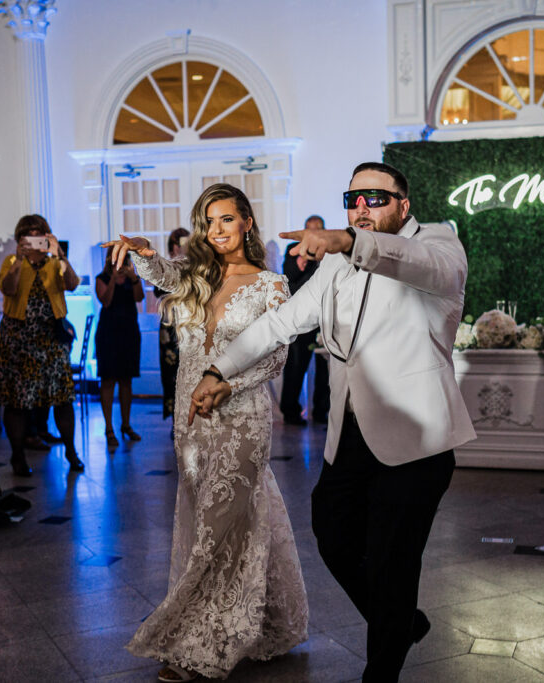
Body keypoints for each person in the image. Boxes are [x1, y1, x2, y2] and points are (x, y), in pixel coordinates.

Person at [190, 162, 476, 682]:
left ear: (404, 206)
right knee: (332, 532)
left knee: (392, 560)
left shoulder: (437, 243)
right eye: (353, 198)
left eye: (375, 198)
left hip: (416, 443)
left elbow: (428, 268)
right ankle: (400, 622)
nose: (362, 207)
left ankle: (381, 669)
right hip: (349, 440)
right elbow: (282, 322)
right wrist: (220, 369)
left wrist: (348, 239)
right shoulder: (337, 268)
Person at [105, 184, 307, 682]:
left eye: (226, 220)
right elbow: (162, 274)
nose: (217, 231)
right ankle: (270, 620)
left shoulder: (271, 284)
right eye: (209, 222)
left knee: (221, 523)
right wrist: (141, 252)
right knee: (212, 518)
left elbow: (277, 355)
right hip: (190, 421)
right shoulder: (196, 276)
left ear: (247, 223)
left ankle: (204, 641)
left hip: (242, 417)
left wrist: (229, 384)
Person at [0, 214, 82, 476]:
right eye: (27, 233)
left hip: (51, 339)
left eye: (38, 232)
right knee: (16, 401)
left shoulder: (54, 264)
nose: (33, 237)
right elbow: (8, 289)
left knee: (63, 398)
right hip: (19, 339)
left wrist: (60, 255)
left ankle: (72, 452)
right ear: (20, 239)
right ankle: (17, 455)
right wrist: (18, 260)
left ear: (47, 236)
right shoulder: (11, 261)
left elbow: (72, 284)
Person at [279, 214, 330, 426]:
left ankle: (321, 412)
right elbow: (289, 276)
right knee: (296, 366)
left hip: (325, 318)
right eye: (310, 230)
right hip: (300, 317)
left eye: (318, 230)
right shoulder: (294, 249)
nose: (314, 234)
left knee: (325, 370)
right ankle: (290, 411)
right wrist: (306, 255)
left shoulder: (331, 250)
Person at [95, 245, 144, 451]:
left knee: (126, 380)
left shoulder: (132, 276)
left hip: (129, 333)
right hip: (108, 334)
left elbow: (140, 297)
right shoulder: (102, 278)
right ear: (108, 260)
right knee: (108, 380)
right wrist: (114, 279)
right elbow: (105, 301)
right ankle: (108, 428)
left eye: (123, 259)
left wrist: (134, 278)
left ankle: (126, 424)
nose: (119, 262)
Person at [158, 227, 190, 424]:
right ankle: (175, 421)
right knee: (171, 373)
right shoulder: (165, 266)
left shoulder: (194, 266)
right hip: (169, 325)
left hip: (189, 321)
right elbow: (158, 289)